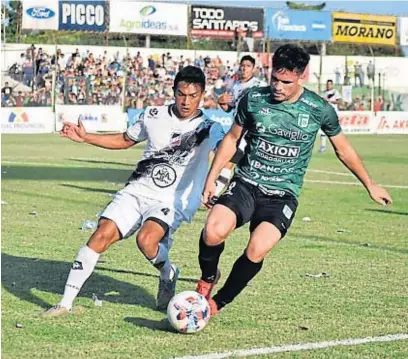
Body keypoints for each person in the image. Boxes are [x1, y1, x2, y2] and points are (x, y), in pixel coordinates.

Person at [194, 44, 393, 318]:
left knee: (257, 248)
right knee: (213, 230)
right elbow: (231, 139)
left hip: (283, 194)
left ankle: (218, 302)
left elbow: (343, 149)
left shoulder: (318, 109)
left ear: (302, 76)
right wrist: (211, 179)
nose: (277, 86)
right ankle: (207, 278)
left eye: (285, 82)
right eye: (275, 78)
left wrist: (369, 184)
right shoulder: (253, 98)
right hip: (247, 183)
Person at [43, 66, 227, 317]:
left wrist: (216, 183)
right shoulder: (153, 114)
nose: (186, 101)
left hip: (172, 200)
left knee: (146, 240)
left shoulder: (210, 127)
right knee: (100, 235)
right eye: (181, 94)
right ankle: (64, 304)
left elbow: (227, 156)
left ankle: (168, 273)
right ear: (173, 92)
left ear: (203, 95)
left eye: (193, 96)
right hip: (137, 190)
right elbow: (125, 139)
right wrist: (86, 138)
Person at [214, 55, 267, 197]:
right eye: (242, 65)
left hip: (250, 130)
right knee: (233, 162)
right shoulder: (235, 86)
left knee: (229, 161)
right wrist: (221, 102)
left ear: (254, 68)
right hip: (237, 129)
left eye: (248, 66)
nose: (244, 68)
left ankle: (214, 192)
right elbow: (230, 108)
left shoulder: (259, 85)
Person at [320, 79, 342, 152]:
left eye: (330, 84)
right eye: (327, 84)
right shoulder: (324, 93)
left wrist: (332, 101)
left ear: (332, 85)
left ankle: (338, 147)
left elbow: (339, 101)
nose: (328, 85)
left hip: (333, 113)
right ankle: (323, 146)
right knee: (323, 130)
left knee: (334, 131)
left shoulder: (335, 92)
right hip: (325, 113)